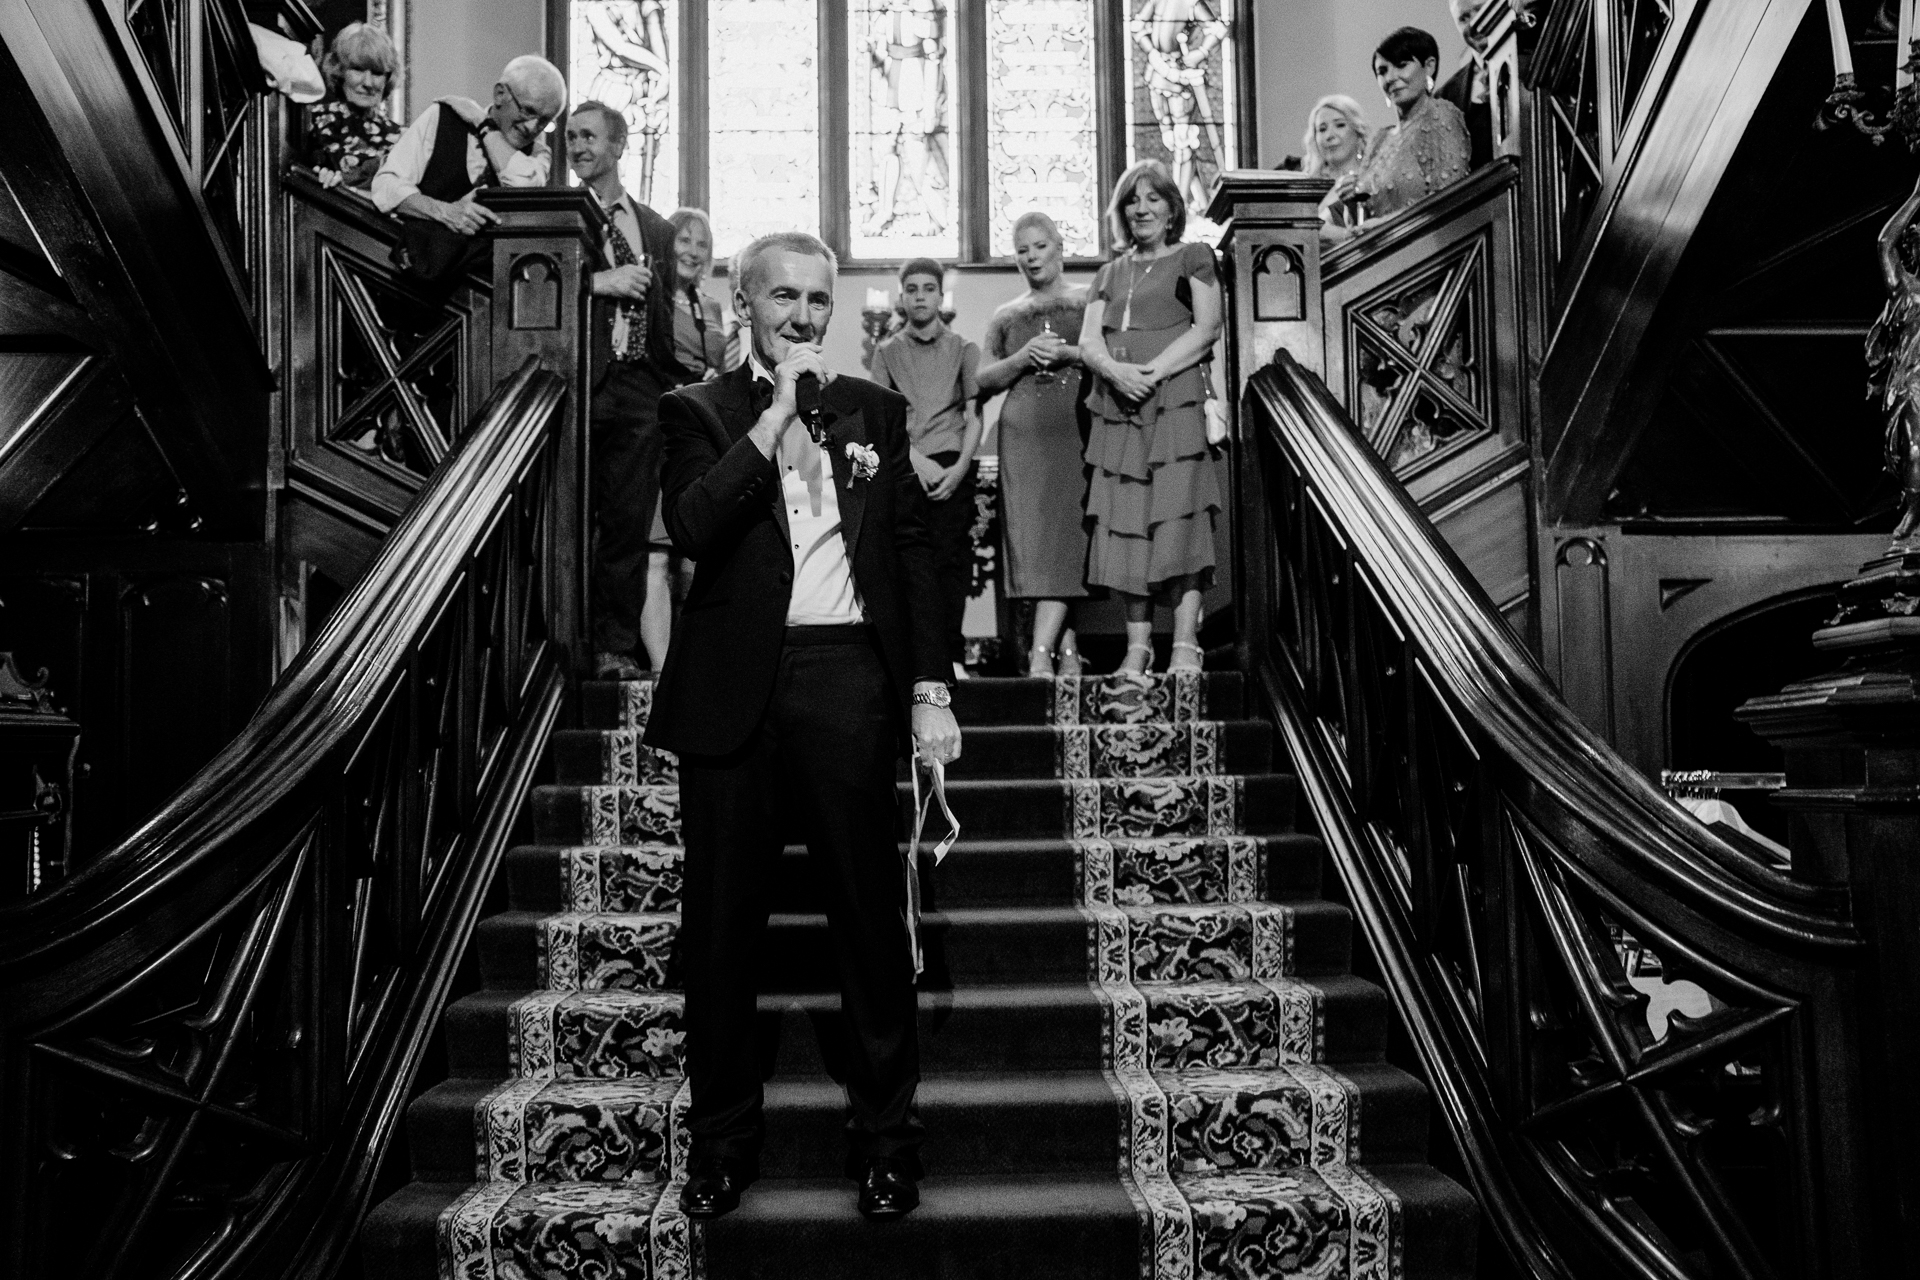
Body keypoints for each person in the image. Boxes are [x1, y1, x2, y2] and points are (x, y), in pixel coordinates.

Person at [643, 230, 959, 1223]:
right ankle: (723, 1143)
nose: (803, 316)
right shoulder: (694, 410)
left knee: (866, 922)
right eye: (783, 297)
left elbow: (911, 555)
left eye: (818, 300)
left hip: (843, 678)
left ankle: (887, 1143)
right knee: (722, 932)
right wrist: (776, 413)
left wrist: (928, 691)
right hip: (734, 686)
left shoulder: (873, 410)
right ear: (746, 302)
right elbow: (693, 526)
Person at [1079, 160, 1223, 675]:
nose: (1141, 208)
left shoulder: (1193, 256)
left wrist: (1150, 372)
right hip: (1119, 408)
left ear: (1171, 209)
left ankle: (1185, 644)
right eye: (1131, 200)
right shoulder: (1108, 272)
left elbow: (1208, 328)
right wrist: (1117, 374)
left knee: (1179, 517)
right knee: (1127, 525)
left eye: (1152, 199)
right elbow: (1088, 340)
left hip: (1175, 401)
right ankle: (1137, 649)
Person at [566, 100, 684, 680]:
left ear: (618, 145)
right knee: (568, 516)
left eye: (589, 136)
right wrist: (598, 282)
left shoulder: (656, 227)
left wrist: (666, 379)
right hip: (581, 380)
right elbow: (536, 285)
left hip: (639, 384)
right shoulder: (560, 214)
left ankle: (614, 648)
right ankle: (564, 641)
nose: (578, 146)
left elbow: (663, 312)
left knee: (628, 525)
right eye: (571, 137)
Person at [978, 212, 1091, 677]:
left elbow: (1111, 355)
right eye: (1022, 249)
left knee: (1069, 538)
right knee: (1034, 544)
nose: (1031, 256)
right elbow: (980, 381)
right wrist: (1023, 358)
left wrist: (1068, 353)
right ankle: (1064, 652)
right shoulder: (1006, 314)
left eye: (1039, 246)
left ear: (1060, 247)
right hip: (1023, 436)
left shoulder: (1088, 301)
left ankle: (1040, 652)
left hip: (1076, 429)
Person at [869, 258, 983, 681]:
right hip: (907, 464)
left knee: (950, 564)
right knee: (910, 565)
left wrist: (957, 471)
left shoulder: (964, 349)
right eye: (912, 288)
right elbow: (884, 417)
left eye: (928, 288)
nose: (920, 295)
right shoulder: (887, 352)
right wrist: (915, 460)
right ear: (901, 297)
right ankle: (917, 659)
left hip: (953, 466)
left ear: (939, 296)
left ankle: (951, 654)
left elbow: (974, 416)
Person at [634, 206, 727, 669]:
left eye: (702, 243)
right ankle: (660, 671)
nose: (693, 250)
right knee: (657, 555)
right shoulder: (652, 295)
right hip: (658, 428)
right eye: (684, 239)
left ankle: (692, 666)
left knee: (692, 558)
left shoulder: (710, 306)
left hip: (699, 431)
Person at [369, 54, 564, 235]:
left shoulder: (537, 155)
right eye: (528, 111)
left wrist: (483, 125)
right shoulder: (443, 117)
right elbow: (387, 185)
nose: (532, 127)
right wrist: (445, 212)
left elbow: (521, 186)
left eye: (544, 121)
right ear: (499, 94)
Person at [1331, 27, 1471, 225]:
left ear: (1429, 66)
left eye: (1401, 65)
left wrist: (1385, 225)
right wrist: (1351, 201)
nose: (1390, 78)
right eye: (1382, 71)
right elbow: (1362, 223)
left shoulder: (1440, 116)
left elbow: (1449, 200)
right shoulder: (1380, 139)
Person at [305, 21, 402, 191]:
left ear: (388, 78)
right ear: (339, 70)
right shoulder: (313, 121)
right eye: (358, 69)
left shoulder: (400, 137)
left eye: (377, 72)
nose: (368, 82)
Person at [1300, 94, 1371, 236]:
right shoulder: (1308, 189)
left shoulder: (1372, 181)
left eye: (1339, 125)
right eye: (1322, 129)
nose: (1329, 135)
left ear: (1358, 131)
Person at [1437, 0, 1494, 171]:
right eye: (1464, 18)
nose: (1474, 23)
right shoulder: (1445, 97)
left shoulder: (1533, 60)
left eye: (1479, 9)